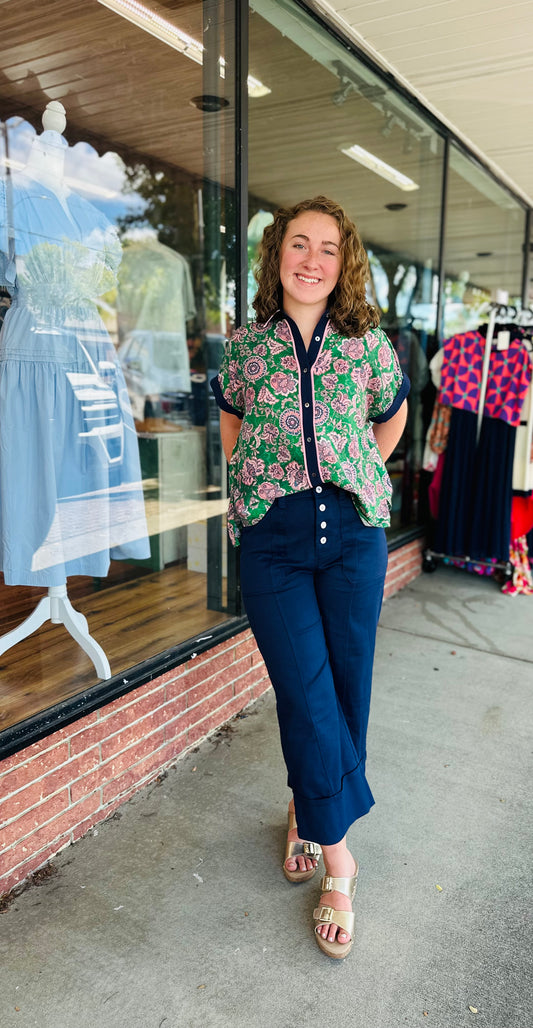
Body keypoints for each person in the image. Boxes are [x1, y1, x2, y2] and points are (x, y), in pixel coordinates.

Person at [211, 196, 409, 959]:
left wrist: (356, 466)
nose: (312, 259)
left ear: (343, 262)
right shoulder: (246, 348)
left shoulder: (367, 345)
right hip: (274, 545)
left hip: (353, 537)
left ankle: (306, 810)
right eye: (299, 243)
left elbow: (387, 420)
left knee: (346, 689)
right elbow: (234, 430)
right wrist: (267, 483)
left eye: (328, 247)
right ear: (278, 254)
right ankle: (338, 860)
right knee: (304, 690)